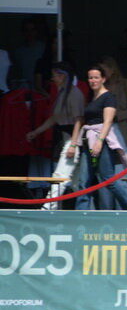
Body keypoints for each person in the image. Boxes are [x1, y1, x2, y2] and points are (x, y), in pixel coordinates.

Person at [75, 64, 127, 211]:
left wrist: (100, 142)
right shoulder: (91, 97)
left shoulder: (108, 97)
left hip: (101, 139)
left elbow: (108, 122)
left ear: (103, 79)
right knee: (84, 180)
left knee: (108, 179)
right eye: (90, 78)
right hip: (87, 140)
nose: (93, 80)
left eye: (96, 77)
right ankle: (81, 212)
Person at [26, 62, 85, 209]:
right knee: (77, 183)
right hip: (67, 139)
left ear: (62, 75)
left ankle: (47, 208)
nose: (53, 79)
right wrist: (36, 132)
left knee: (61, 176)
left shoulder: (74, 93)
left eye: (54, 76)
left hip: (72, 140)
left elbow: (79, 119)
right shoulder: (62, 93)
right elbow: (54, 118)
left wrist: (73, 144)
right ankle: (90, 210)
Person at [97, 56, 127, 155]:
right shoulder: (100, 86)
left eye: (103, 70)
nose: (101, 73)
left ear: (112, 68)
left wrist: (115, 116)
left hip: (122, 128)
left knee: (123, 166)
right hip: (103, 131)